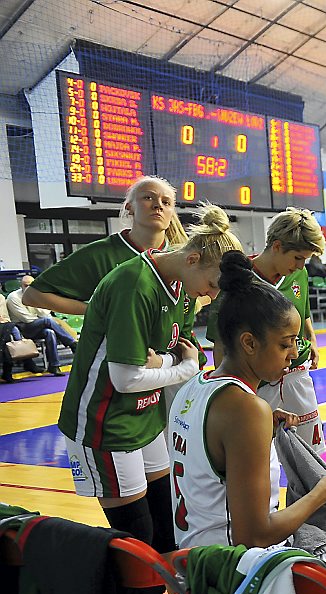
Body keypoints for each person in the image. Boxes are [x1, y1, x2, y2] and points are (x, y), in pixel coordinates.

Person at [169, 252, 326, 570]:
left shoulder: (195, 387)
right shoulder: (245, 409)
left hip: (194, 568)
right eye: (285, 343)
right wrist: (323, 491)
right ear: (249, 343)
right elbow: (254, 536)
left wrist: (264, 422)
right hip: (238, 579)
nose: (293, 354)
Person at [56, 203, 240, 553]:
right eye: (212, 284)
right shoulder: (134, 284)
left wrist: (165, 362)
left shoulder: (182, 287)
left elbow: (187, 350)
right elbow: (126, 379)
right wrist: (183, 368)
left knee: (167, 525)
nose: (212, 295)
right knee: (137, 539)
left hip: (147, 414)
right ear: (192, 259)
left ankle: (173, 588)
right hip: (104, 421)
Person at [208, 208, 326, 453]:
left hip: (297, 375)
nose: (301, 266)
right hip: (259, 384)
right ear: (276, 246)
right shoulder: (240, 279)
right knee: (259, 456)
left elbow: (304, 311)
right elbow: (222, 345)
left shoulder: (299, 274)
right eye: (297, 258)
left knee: (311, 457)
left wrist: (312, 340)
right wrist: (232, 392)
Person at [22, 175, 187, 317]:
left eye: (166, 202)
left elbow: (199, 300)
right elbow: (32, 295)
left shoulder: (183, 256)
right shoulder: (100, 253)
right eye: (148, 197)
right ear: (130, 207)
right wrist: (96, 311)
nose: (158, 205)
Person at [6, 276, 77, 376]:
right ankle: (72, 343)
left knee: (49, 332)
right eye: (26, 285)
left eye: (31, 285)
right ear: (21, 286)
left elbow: (45, 314)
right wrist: (39, 314)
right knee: (47, 321)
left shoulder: (36, 295)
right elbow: (27, 319)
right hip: (21, 328)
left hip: (35, 325)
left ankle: (54, 365)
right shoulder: (13, 297)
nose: (28, 288)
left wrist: (35, 301)